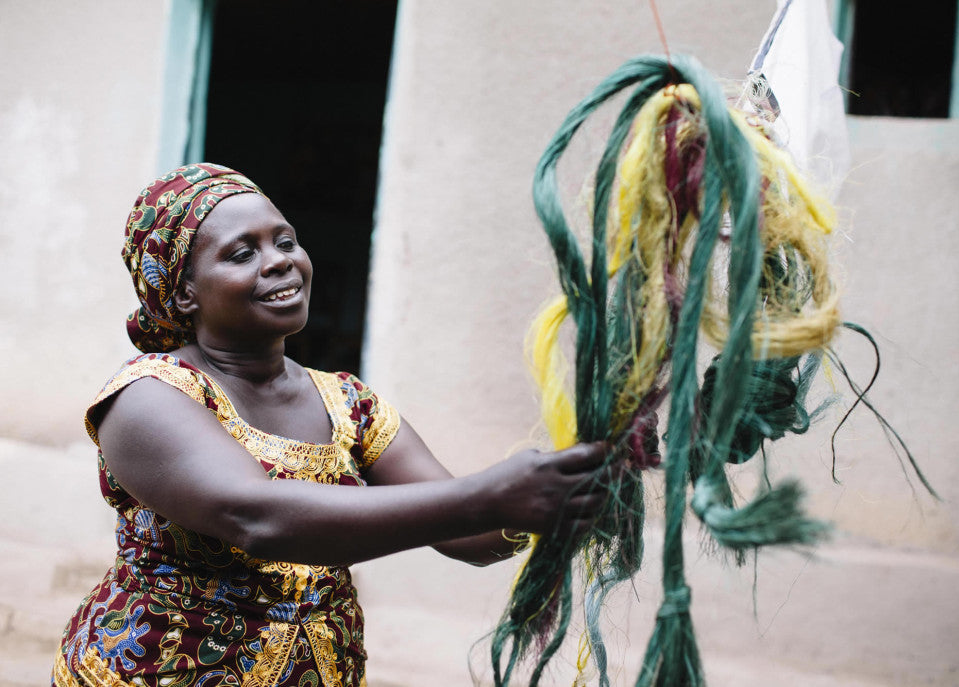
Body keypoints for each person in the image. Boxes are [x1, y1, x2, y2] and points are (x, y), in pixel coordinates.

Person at [51, 163, 611, 687]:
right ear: (182, 293)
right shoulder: (147, 396)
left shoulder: (349, 404)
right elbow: (257, 517)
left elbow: (470, 537)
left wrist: (575, 485)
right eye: (242, 253)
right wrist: (491, 497)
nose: (279, 262)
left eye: (285, 242)